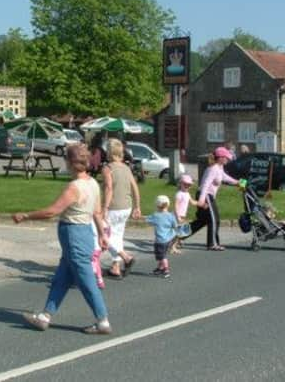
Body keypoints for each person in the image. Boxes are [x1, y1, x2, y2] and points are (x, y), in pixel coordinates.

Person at [13, 144, 112, 335]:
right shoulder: (92, 183)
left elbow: (53, 211)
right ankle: (45, 316)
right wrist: (101, 235)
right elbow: (97, 212)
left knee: (86, 280)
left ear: (71, 163)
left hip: (74, 235)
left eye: (66, 160)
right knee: (62, 277)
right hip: (82, 235)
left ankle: (103, 321)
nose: (65, 164)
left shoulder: (75, 187)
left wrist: (26, 216)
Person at [101, 138, 140, 279]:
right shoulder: (126, 168)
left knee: (104, 235)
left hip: (113, 207)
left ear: (109, 152)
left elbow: (109, 188)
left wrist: (104, 207)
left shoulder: (108, 168)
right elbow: (134, 187)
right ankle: (115, 268)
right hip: (126, 207)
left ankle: (126, 257)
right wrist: (137, 206)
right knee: (117, 236)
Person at [188, 147, 239, 251]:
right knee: (214, 220)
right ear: (220, 158)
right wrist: (202, 200)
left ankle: (178, 235)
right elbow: (205, 184)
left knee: (202, 221)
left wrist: (238, 182)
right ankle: (212, 244)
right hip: (206, 195)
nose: (228, 160)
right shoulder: (213, 169)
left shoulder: (219, 168)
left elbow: (225, 177)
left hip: (208, 196)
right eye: (226, 158)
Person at [146, 195, 177, 278]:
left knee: (162, 256)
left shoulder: (156, 216)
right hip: (168, 240)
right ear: (168, 204)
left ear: (157, 205)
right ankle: (160, 268)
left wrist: (139, 217)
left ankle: (166, 270)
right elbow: (175, 226)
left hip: (160, 240)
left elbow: (148, 220)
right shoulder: (171, 215)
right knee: (162, 255)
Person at [171, 174, 198, 254]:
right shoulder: (179, 194)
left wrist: (201, 203)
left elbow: (192, 202)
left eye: (189, 185)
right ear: (180, 184)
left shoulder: (187, 194)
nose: (187, 186)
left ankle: (173, 245)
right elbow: (175, 206)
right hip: (177, 216)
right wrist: (177, 216)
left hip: (182, 216)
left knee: (179, 232)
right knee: (178, 233)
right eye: (185, 184)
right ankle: (173, 247)